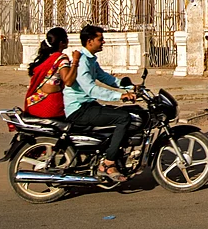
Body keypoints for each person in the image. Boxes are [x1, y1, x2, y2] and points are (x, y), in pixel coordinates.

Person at [64, 24, 138, 182]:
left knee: (131, 112)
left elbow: (106, 78)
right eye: (100, 39)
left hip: (88, 105)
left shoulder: (91, 60)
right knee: (123, 118)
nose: (103, 42)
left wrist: (131, 87)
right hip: (79, 109)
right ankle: (108, 163)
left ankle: (110, 153)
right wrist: (121, 96)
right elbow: (91, 89)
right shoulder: (82, 61)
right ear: (89, 41)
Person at [23, 27, 78, 119]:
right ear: (62, 43)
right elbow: (68, 81)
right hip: (51, 106)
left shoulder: (46, 58)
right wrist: (75, 61)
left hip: (36, 104)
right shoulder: (61, 59)